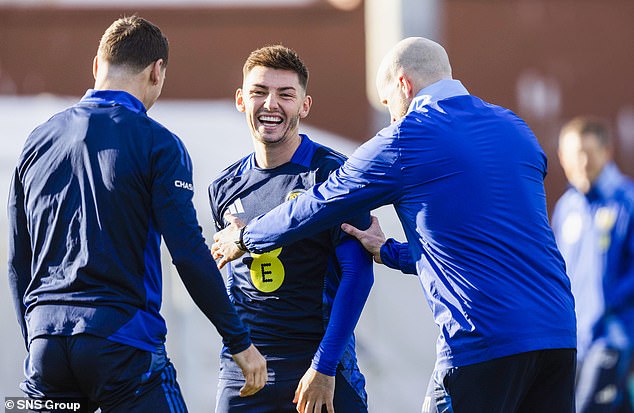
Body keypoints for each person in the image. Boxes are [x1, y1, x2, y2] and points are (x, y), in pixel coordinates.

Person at [212, 37, 577, 412]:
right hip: (558, 334)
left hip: (482, 337)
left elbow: (317, 203)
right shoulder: (516, 128)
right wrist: (389, 252)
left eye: (388, 105)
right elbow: (481, 245)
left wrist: (245, 237)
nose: (390, 118)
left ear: (403, 85)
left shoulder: (407, 137)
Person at [7, 16, 266, 412]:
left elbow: (15, 262)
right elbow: (188, 253)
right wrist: (239, 341)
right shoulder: (158, 143)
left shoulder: (36, 140)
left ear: (97, 66)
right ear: (156, 71)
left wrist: (39, 339)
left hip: (45, 345)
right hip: (122, 343)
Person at [209, 45, 373, 413]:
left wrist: (324, 366)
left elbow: (358, 273)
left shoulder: (334, 174)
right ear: (240, 100)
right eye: (259, 92)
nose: (271, 104)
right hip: (246, 367)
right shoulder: (223, 186)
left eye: (285, 94)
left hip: (318, 365)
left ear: (304, 105)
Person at [552, 117, 634, 413]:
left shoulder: (626, 201)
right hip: (574, 341)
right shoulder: (567, 207)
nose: (581, 163)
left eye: (588, 153)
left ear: (606, 151)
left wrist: (607, 304)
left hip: (612, 337)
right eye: (574, 155)